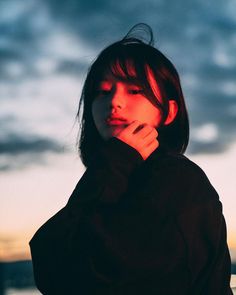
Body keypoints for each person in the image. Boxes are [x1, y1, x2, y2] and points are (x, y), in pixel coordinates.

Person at [29, 23, 233, 294]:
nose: (114, 101)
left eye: (135, 90)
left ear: (169, 112)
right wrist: (113, 164)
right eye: (102, 91)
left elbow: (86, 275)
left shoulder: (178, 179)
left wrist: (113, 163)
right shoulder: (116, 174)